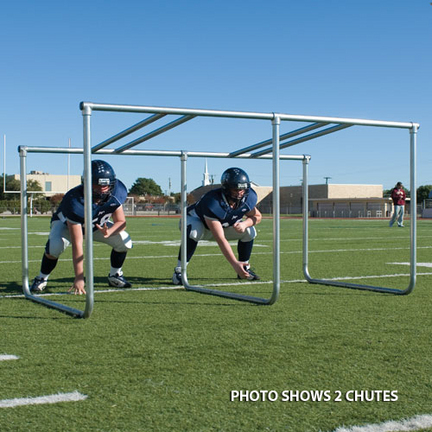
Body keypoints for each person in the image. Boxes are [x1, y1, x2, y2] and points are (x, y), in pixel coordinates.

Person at [30, 160, 133, 295]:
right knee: (55, 246)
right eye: (96, 185)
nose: (102, 189)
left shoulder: (116, 192)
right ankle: (41, 277)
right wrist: (79, 277)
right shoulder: (75, 200)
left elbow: (121, 222)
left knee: (124, 241)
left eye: (105, 185)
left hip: (96, 225)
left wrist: (109, 232)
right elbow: (77, 243)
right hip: (66, 226)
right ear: (87, 183)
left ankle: (115, 275)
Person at [172, 167, 262, 285]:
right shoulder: (213, 202)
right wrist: (234, 264)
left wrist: (245, 224)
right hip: (194, 221)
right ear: (226, 188)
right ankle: (179, 271)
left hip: (221, 226)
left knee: (250, 231)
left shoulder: (248, 197)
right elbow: (220, 238)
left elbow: (258, 216)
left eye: (243, 189)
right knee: (195, 231)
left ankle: (244, 267)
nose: (240, 192)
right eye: (236, 189)